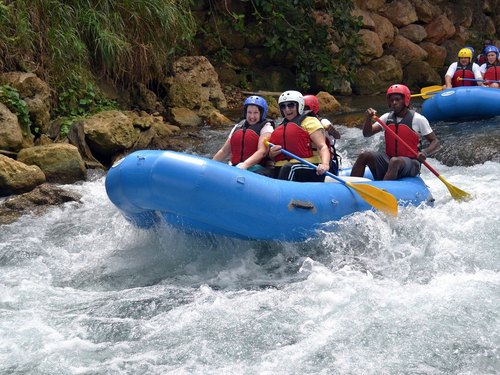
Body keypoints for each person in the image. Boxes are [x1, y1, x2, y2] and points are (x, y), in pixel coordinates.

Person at [350, 84, 440, 181]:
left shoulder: (418, 119)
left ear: (405, 100)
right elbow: (367, 134)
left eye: (397, 99)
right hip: (390, 159)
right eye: (392, 100)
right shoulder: (386, 117)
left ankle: (384, 190)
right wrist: (368, 119)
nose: (394, 102)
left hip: (412, 162)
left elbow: (435, 142)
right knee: (364, 156)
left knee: (395, 161)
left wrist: (425, 153)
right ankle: (350, 188)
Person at [257, 90, 330, 182]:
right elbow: (272, 157)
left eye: (291, 105)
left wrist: (325, 164)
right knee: (260, 173)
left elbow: (322, 146)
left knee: (288, 168)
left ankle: (282, 194)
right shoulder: (280, 127)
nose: (287, 109)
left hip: (309, 166)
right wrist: (272, 154)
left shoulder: (310, 121)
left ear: (299, 105)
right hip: (283, 167)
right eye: (283, 106)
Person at [213, 95, 274, 172]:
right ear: (246, 113)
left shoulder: (266, 127)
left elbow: (262, 151)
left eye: (255, 113)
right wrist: (211, 164)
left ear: (261, 114)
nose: (252, 116)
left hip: (257, 169)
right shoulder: (238, 127)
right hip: (236, 167)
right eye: (249, 112)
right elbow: (224, 151)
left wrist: (245, 165)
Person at [303, 94, 341, 175]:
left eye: (305, 108)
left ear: (313, 108)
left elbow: (338, 136)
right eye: (302, 108)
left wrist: (332, 131)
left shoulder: (324, 122)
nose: (303, 111)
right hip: (310, 160)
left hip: (327, 161)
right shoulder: (302, 123)